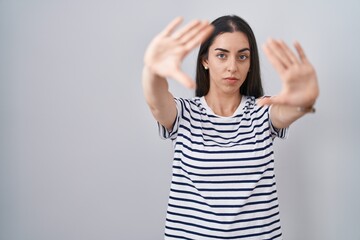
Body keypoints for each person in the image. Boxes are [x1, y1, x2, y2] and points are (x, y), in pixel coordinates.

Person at [142, 15, 319, 240]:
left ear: (250, 63)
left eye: (242, 56)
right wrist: (152, 71)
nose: (232, 67)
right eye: (221, 55)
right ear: (205, 60)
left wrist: (304, 102)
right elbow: (156, 101)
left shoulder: (262, 111)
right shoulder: (185, 114)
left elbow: (286, 112)